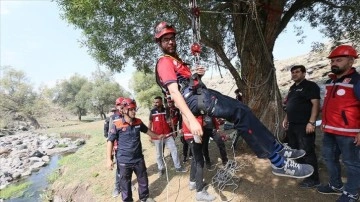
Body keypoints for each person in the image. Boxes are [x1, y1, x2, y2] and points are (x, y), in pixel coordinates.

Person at [154, 21, 313, 181]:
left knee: (243, 110)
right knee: (240, 114)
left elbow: (185, 84)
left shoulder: (174, 60)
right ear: (159, 43)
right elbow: (174, 92)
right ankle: (278, 162)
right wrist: (191, 120)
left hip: (201, 94)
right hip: (196, 99)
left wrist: (196, 76)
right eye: (165, 39)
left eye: (172, 38)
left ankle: (278, 148)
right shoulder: (164, 62)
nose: (170, 42)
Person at [316, 45, 360, 202]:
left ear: (350, 61)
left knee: (352, 163)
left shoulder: (357, 81)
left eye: (339, 60)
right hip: (329, 130)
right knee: (329, 158)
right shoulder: (331, 81)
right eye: (332, 61)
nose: (334, 63)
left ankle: (352, 193)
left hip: (349, 133)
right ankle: (335, 185)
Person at [107, 98, 165, 202]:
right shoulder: (117, 124)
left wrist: (158, 136)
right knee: (125, 183)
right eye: (131, 109)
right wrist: (109, 159)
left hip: (138, 159)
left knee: (143, 179)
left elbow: (148, 131)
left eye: (135, 109)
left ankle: (144, 198)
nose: (134, 111)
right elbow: (110, 141)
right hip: (124, 161)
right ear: (124, 110)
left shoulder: (138, 122)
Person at [282, 65, 321, 188]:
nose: (294, 74)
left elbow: (316, 104)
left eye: (297, 72)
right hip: (292, 125)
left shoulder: (310, 86)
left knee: (307, 151)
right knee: (296, 150)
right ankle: (304, 172)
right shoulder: (292, 88)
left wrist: (312, 122)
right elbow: (290, 105)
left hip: (304, 125)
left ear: (304, 73)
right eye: (293, 72)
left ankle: (313, 179)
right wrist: (286, 118)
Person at [148, 96, 187, 177]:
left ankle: (178, 167)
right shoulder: (152, 111)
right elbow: (150, 123)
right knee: (159, 154)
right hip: (157, 136)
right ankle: (160, 168)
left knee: (174, 150)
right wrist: (149, 135)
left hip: (168, 135)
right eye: (154, 102)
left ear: (161, 102)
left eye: (157, 102)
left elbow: (171, 122)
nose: (155, 104)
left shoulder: (167, 110)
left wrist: (173, 131)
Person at [182, 116, 216, 201]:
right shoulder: (190, 104)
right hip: (193, 135)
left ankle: (193, 182)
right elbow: (185, 118)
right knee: (199, 162)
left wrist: (202, 123)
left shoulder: (191, 105)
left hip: (191, 135)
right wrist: (195, 134)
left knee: (195, 159)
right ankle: (200, 192)